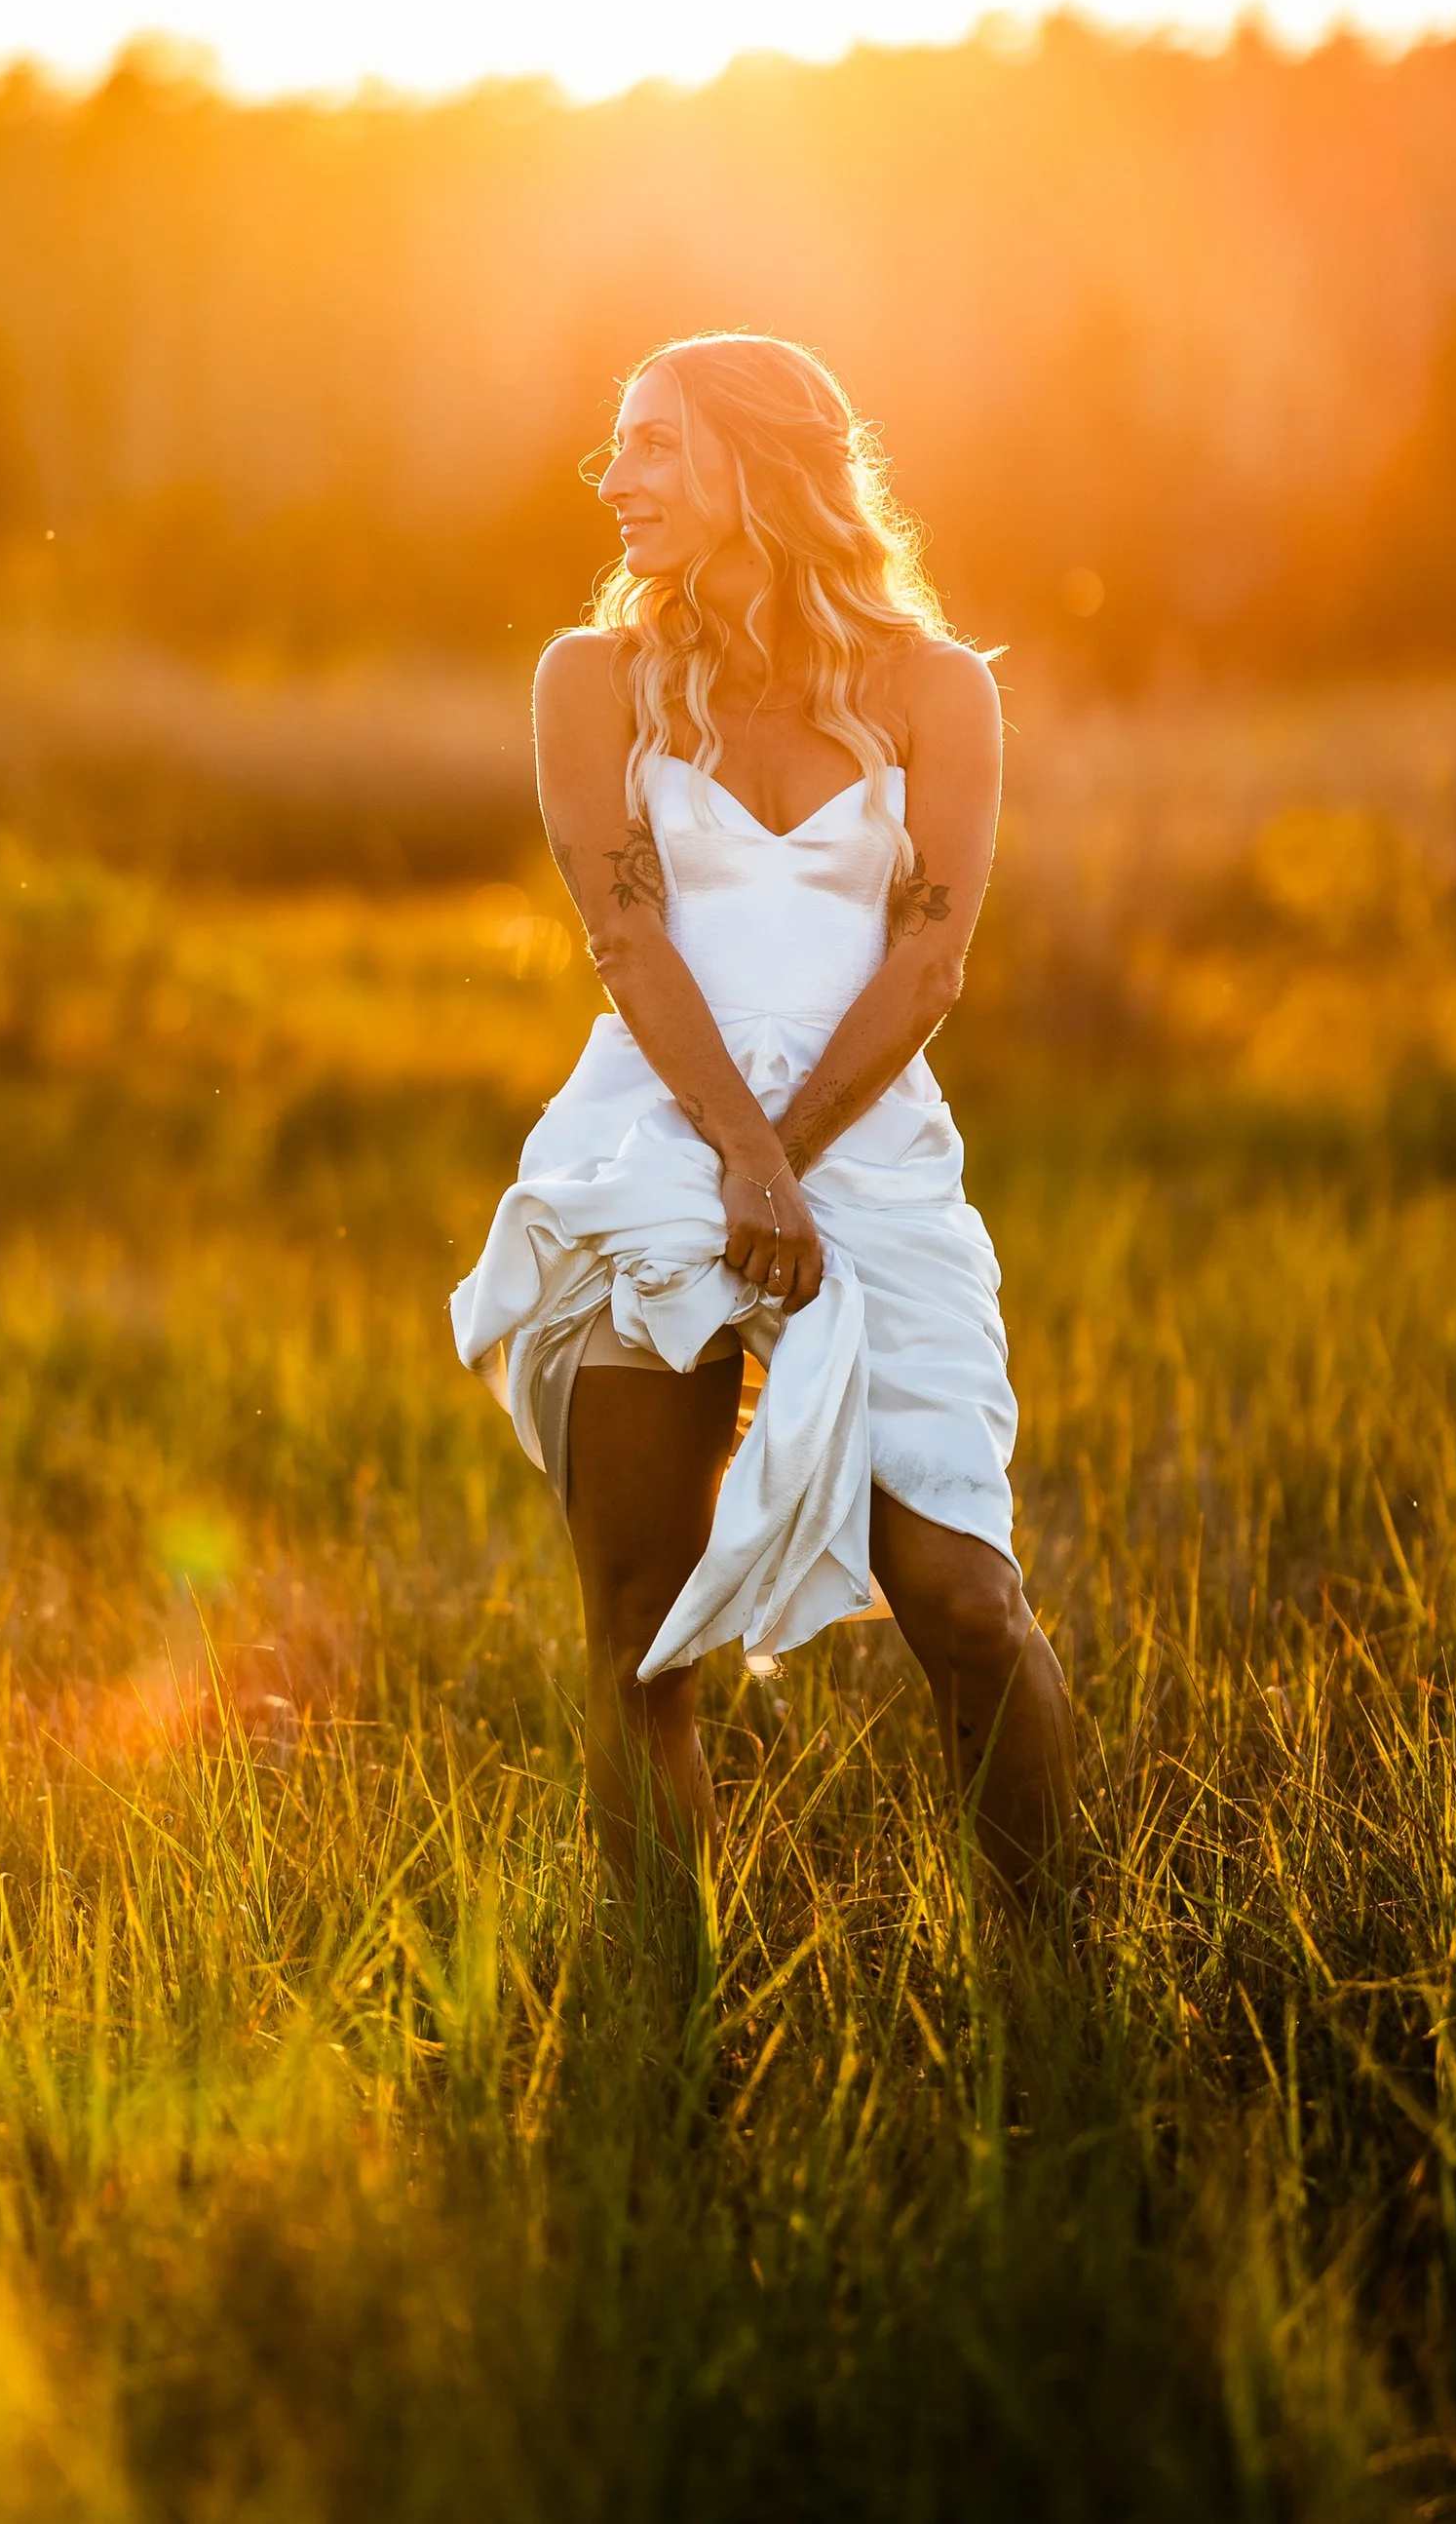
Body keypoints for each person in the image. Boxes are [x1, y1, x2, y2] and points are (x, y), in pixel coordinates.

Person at [451, 332, 1074, 1903]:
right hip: (662, 1128)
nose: (616, 478)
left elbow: (932, 957)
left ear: (759, 461)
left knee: (966, 1605)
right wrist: (734, 1153)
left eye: (654, 445)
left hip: (865, 1149)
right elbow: (628, 939)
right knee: (638, 1632)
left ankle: (1060, 1982)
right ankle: (665, 2025)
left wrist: (788, 1168)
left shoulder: (937, 688)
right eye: (614, 447)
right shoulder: (589, 683)